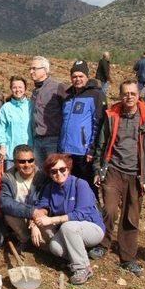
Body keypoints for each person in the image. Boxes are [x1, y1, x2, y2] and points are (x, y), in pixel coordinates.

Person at [89, 80, 145, 276]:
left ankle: (128, 256)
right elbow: (101, 144)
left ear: (138, 94)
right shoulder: (112, 115)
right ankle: (102, 244)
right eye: (125, 93)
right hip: (113, 170)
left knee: (131, 216)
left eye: (132, 93)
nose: (129, 97)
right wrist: (98, 169)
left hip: (137, 175)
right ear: (120, 95)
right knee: (109, 209)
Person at [33, 154, 105, 285]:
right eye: (54, 171)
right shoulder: (50, 188)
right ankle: (78, 256)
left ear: (69, 168)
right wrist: (37, 220)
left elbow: (81, 214)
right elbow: (42, 206)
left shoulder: (80, 184)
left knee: (68, 226)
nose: (58, 174)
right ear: (49, 173)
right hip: (70, 231)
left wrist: (52, 220)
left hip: (92, 228)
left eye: (62, 169)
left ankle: (83, 268)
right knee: (55, 247)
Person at [58, 61, 106, 195]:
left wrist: (92, 149)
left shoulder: (96, 94)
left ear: (87, 76)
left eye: (81, 76)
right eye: (74, 76)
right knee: (68, 187)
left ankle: (91, 214)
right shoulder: (68, 96)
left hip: (84, 153)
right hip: (66, 151)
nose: (77, 79)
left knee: (87, 188)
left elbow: (99, 123)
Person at [0, 145, 47, 250]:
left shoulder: (43, 176)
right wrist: (31, 212)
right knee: (8, 214)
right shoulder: (8, 178)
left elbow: (46, 201)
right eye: (22, 161)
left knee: (49, 245)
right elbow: (4, 202)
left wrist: (34, 219)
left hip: (39, 215)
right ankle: (25, 239)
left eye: (30, 160)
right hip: (21, 216)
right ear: (15, 163)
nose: (27, 165)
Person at [29, 56, 67, 167]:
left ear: (45, 70)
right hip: (37, 140)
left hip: (53, 140)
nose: (31, 72)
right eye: (30, 69)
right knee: (40, 175)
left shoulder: (58, 87)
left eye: (34, 68)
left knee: (54, 171)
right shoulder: (35, 91)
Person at [0, 76, 33, 171]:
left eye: (20, 87)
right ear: (11, 89)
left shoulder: (31, 105)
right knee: (11, 181)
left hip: (29, 153)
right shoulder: (6, 108)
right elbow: (1, 129)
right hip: (11, 154)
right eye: (14, 87)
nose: (17, 90)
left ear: (25, 89)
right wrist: (2, 146)